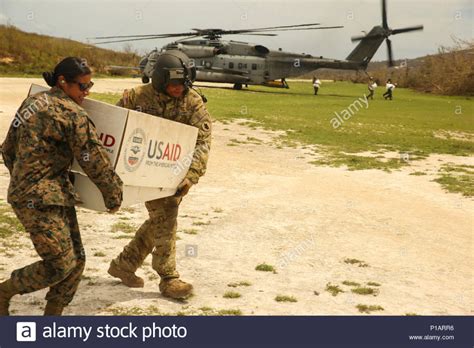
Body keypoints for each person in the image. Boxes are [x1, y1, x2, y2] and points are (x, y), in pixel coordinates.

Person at [0, 57, 123, 316]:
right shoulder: (72, 113)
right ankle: (4, 291)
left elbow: (7, 148)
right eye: (82, 86)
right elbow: (92, 159)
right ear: (63, 82)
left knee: (76, 261)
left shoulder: (32, 103)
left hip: (51, 194)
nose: (87, 92)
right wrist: (113, 194)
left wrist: (22, 177)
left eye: (90, 85)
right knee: (59, 264)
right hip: (39, 199)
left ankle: (53, 317)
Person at [108, 50, 212, 300]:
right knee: (166, 215)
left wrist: (192, 174)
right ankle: (168, 278)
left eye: (183, 83)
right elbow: (113, 125)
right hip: (138, 171)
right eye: (173, 84)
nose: (179, 89)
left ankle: (125, 264)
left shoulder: (193, 102)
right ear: (159, 80)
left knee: (162, 216)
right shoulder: (136, 97)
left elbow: (203, 141)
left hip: (175, 174)